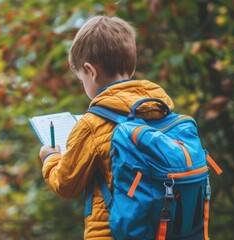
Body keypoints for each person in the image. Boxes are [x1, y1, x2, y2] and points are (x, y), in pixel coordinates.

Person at [39, 15, 174, 239]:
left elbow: (66, 184)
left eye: (82, 78)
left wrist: (50, 158)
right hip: (165, 230)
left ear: (91, 71)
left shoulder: (92, 124)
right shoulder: (162, 108)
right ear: (131, 66)